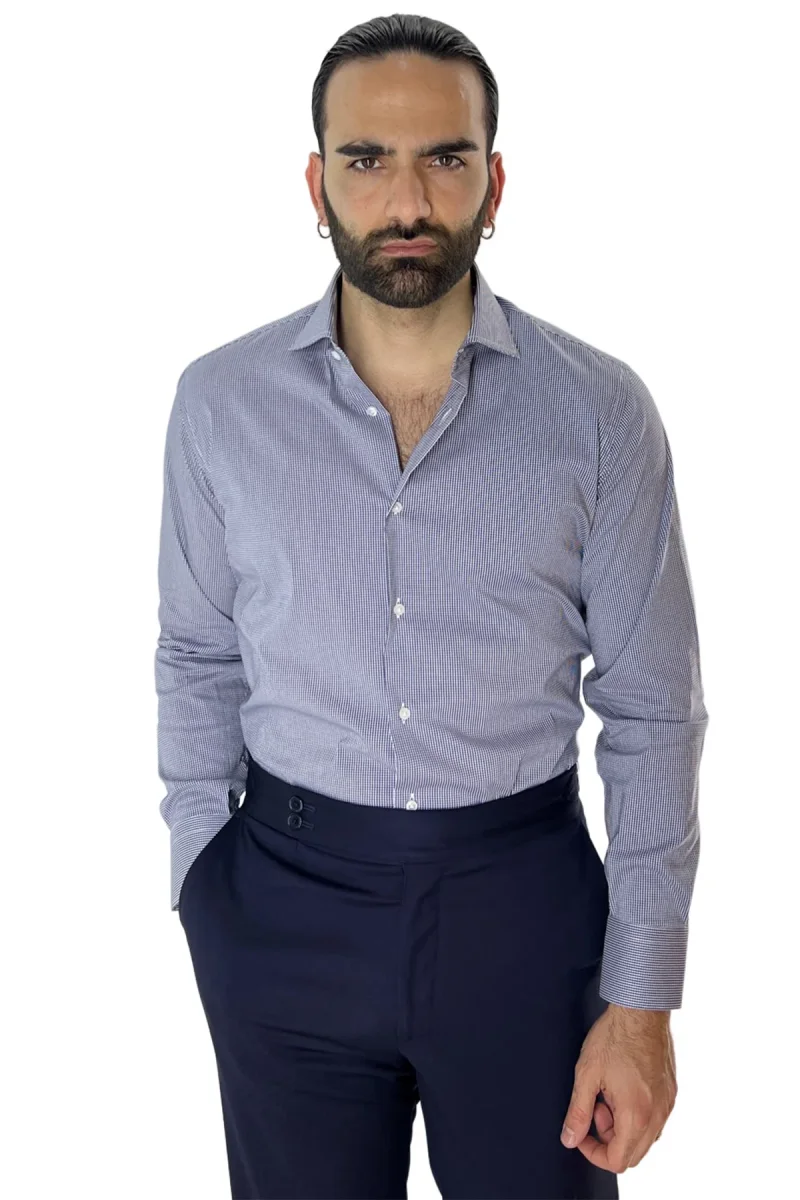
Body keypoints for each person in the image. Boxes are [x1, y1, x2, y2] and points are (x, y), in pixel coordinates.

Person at [154, 14, 708, 1200]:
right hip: (280, 915)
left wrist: (640, 1002)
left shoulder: (597, 413)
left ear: (493, 182)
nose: (405, 200)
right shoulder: (218, 404)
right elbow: (197, 655)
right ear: (316, 183)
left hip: (523, 915)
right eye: (365, 159)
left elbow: (654, 714)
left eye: (443, 158)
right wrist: (203, 885)